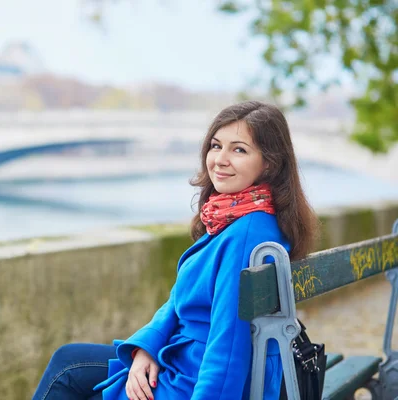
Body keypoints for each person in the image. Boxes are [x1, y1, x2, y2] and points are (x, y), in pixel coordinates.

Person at [32, 100, 319, 400]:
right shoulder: (242, 216)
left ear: (269, 163)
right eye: (216, 145)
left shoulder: (244, 235)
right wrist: (147, 348)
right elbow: (180, 300)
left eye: (239, 150)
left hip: (188, 380)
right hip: (180, 360)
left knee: (67, 374)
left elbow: (228, 349)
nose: (220, 159)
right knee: (68, 362)